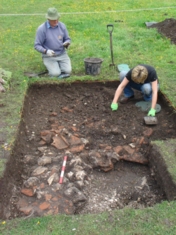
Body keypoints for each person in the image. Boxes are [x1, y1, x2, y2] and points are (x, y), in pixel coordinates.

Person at [34, 7, 72, 78]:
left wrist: (67, 43)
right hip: (49, 56)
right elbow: (37, 45)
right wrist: (46, 51)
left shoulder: (62, 26)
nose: (56, 21)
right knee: (55, 74)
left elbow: (67, 38)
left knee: (68, 71)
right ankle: (53, 69)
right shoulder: (42, 29)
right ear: (48, 19)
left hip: (62, 54)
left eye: (57, 19)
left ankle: (58, 67)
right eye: (53, 20)